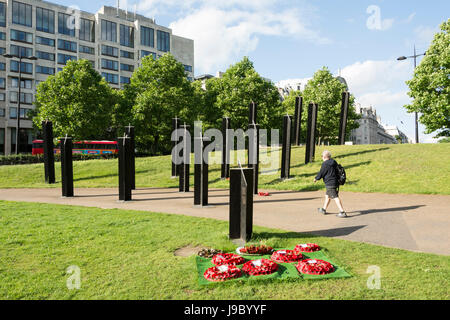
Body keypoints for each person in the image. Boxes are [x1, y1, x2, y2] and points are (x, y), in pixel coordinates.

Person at [313, 150, 347, 218]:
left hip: (330, 183)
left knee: (335, 197)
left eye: (322, 156)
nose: (322, 157)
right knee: (327, 196)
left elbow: (322, 173)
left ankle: (342, 212)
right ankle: (324, 209)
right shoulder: (334, 162)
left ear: (324, 156)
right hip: (335, 181)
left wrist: (316, 178)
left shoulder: (325, 164)